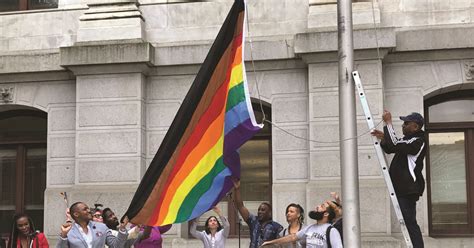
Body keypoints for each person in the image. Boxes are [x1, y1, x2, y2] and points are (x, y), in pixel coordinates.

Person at [371, 111, 426, 248]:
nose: (403, 126)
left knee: (410, 222)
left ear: (415, 127)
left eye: (406, 123)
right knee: (408, 221)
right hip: (402, 187)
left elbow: (396, 145)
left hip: (408, 188)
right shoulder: (407, 140)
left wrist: (388, 124)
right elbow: (391, 148)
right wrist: (384, 138)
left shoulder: (418, 140)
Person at [261, 202, 343, 248]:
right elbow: (292, 237)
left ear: (326, 214)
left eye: (322, 206)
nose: (317, 206)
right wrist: (270, 242)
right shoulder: (310, 228)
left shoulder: (332, 231)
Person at [232, 180, 283, 248]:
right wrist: (237, 189)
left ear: (270, 213)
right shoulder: (253, 221)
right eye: (259, 210)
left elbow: (281, 244)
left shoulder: (277, 227)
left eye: (263, 210)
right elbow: (240, 206)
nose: (260, 212)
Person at [57, 202, 128, 248]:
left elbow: (116, 245)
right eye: (85, 209)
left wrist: (122, 229)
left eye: (88, 208)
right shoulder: (68, 232)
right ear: (76, 214)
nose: (89, 211)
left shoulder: (102, 227)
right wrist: (63, 236)